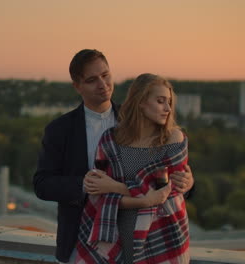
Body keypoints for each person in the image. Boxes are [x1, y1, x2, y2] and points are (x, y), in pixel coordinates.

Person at [33, 50, 194, 263]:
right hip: (82, 240)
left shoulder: (138, 118)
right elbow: (42, 184)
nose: (103, 84)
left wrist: (189, 183)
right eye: (92, 80)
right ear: (77, 86)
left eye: (105, 75)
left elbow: (164, 173)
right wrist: (86, 184)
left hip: (141, 237)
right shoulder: (59, 130)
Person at [76, 73, 190, 263]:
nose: (168, 109)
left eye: (169, 102)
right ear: (141, 102)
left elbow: (164, 193)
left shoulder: (173, 138)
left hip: (163, 236)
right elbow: (100, 194)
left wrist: (115, 187)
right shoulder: (112, 139)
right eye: (160, 101)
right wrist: (142, 199)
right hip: (118, 232)